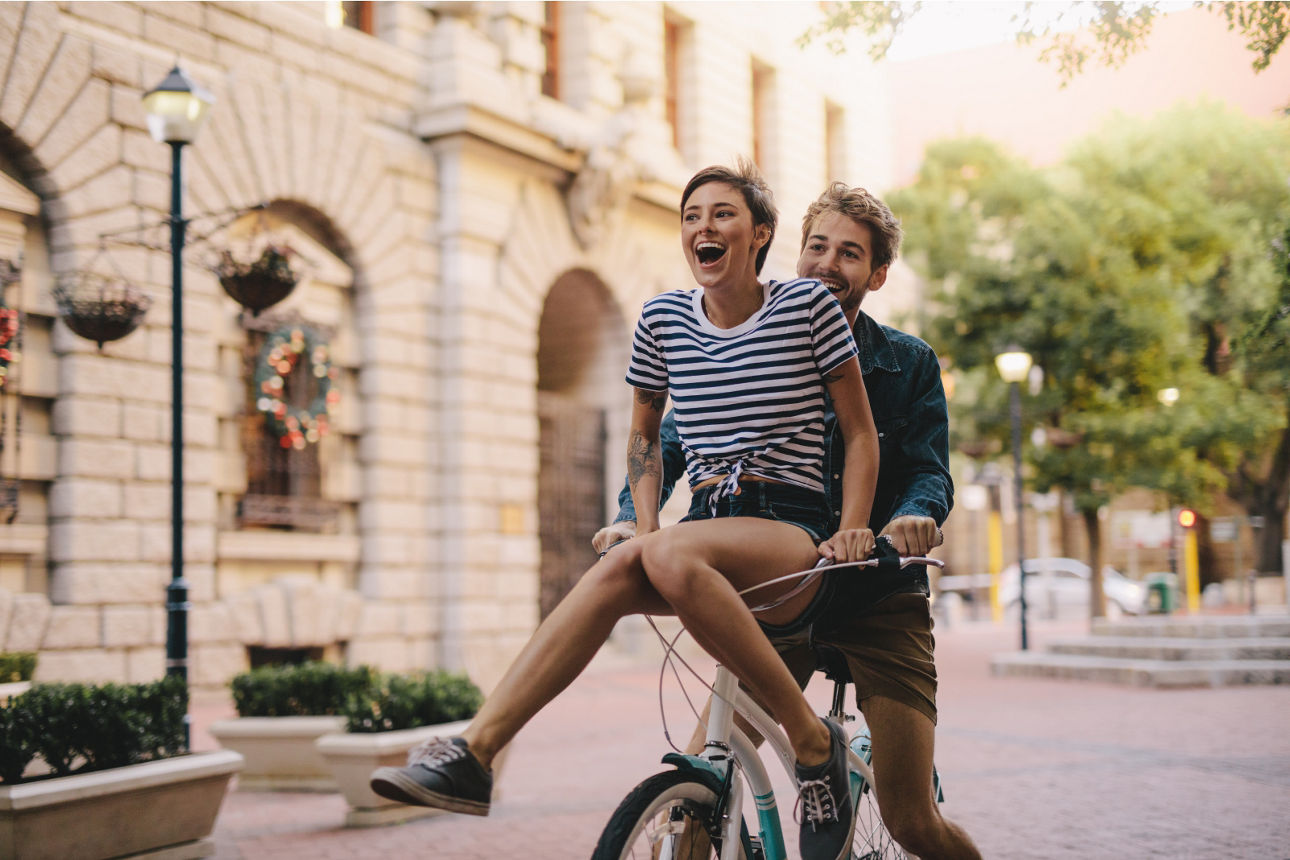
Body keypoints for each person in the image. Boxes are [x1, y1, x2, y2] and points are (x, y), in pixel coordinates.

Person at [371, 161, 880, 860]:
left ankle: (812, 743)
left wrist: (852, 527)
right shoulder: (662, 319)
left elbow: (859, 432)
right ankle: (475, 752)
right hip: (705, 526)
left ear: (760, 234)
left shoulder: (807, 309)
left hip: (791, 533)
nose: (704, 226)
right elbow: (644, 437)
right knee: (618, 568)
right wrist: (642, 533)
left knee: (666, 549)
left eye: (724, 214)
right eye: (692, 214)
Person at [596, 182, 982, 859]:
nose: (830, 264)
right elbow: (673, 445)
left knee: (911, 819)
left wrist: (913, 518)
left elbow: (927, 469)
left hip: (876, 592)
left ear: (879, 274)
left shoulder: (908, 362)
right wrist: (633, 521)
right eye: (818, 247)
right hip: (781, 593)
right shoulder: (749, 340)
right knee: (702, 786)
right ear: (794, 252)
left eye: (852, 254)